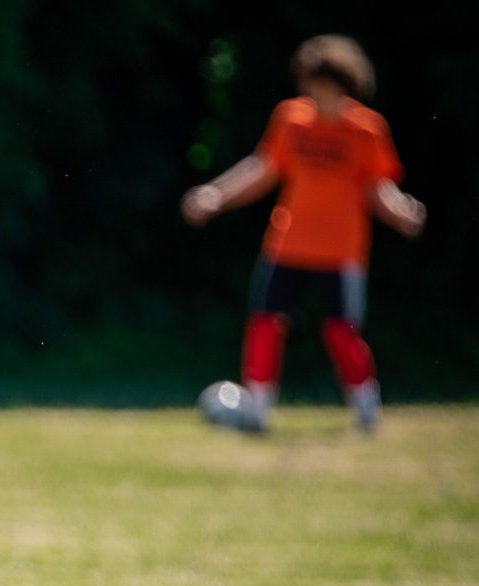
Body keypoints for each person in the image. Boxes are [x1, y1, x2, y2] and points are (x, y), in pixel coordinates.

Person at [181, 35, 425, 433]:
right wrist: (215, 194)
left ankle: (365, 408)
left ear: (346, 84)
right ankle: (256, 409)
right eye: (312, 83)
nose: (317, 92)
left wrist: (402, 211)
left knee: (341, 332)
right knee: (264, 322)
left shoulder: (367, 130)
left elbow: (380, 187)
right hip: (287, 244)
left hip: (341, 251)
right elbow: (262, 168)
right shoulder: (290, 119)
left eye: (326, 84)